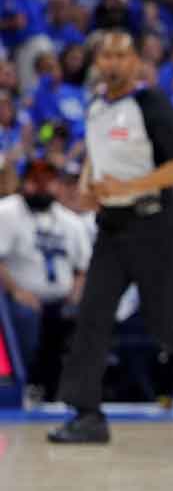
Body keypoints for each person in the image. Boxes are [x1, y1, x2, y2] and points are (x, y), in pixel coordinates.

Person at [49, 30, 173, 444]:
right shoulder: (96, 108)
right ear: (96, 62)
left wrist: (128, 186)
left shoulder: (150, 104)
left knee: (165, 320)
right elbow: (96, 158)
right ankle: (87, 414)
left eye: (122, 55)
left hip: (156, 222)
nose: (113, 63)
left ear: (136, 62)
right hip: (114, 225)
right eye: (105, 55)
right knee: (92, 314)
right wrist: (88, 187)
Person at [0, 159, 92, 397]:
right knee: (25, 317)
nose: (42, 186)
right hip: (18, 299)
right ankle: (25, 384)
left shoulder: (69, 221)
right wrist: (17, 292)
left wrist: (76, 293)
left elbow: (82, 267)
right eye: (36, 180)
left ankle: (68, 392)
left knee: (88, 319)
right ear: (25, 182)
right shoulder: (8, 211)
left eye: (48, 181)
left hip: (62, 299)